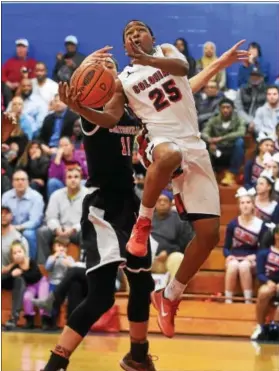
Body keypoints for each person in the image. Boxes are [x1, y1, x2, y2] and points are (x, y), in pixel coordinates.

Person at [61, 20, 249, 340]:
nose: (135, 34)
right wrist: (79, 107)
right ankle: (143, 223)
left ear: (152, 37)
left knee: (207, 235)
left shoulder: (167, 53)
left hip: (194, 146)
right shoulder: (123, 80)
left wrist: (219, 63)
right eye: (128, 34)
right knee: (168, 155)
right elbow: (108, 118)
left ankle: (170, 294)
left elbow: (185, 70)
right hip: (157, 143)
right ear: (124, 48)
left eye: (140, 30)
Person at [41, 57, 156, 371]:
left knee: (143, 286)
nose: (114, 73)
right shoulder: (92, 118)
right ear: (101, 86)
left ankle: (137, 357)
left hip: (129, 205)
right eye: (107, 72)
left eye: (114, 69)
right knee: (102, 296)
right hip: (101, 208)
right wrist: (79, 103)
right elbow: (101, 119)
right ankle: (55, 363)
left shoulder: (132, 116)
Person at [223, 187, 266, 304]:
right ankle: (228, 300)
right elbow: (226, 247)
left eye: (248, 202)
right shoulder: (233, 224)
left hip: (252, 257)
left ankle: (248, 301)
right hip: (235, 256)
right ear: (239, 206)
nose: (245, 205)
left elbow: (264, 248)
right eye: (242, 203)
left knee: (244, 267)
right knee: (232, 266)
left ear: (253, 205)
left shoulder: (260, 225)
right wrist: (228, 255)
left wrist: (255, 256)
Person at [251, 223, 279, 341]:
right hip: (270, 283)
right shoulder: (264, 253)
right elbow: (260, 273)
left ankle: (276, 328)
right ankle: (260, 326)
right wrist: (268, 282)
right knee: (263, 292)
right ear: (277, 236)